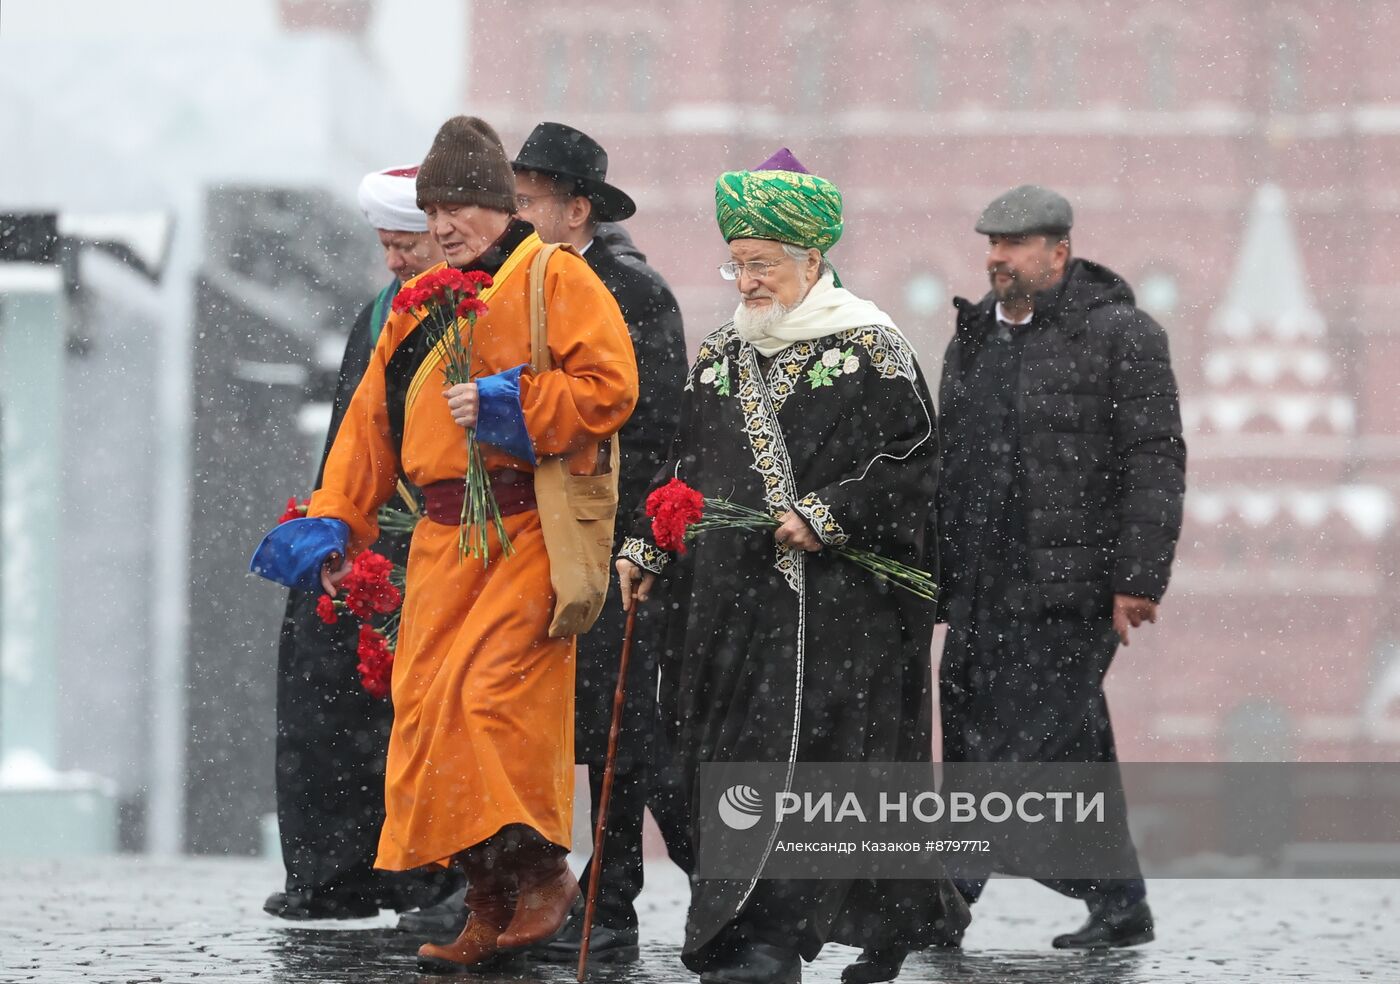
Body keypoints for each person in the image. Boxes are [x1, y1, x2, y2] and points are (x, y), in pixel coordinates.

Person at [250, 115, 638, 972]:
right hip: (437, 543)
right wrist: (334, 518)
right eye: (433, 209)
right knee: (426, 725)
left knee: (488, 705)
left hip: (523, 532)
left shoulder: (552, 277)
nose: (445, 223)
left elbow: (611, 387)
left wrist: (513, 407)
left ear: (501, 205)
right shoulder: (421, 300)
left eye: (461, 204)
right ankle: (489, 899)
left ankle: (542, 877)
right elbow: (368, 427)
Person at [616, 149, 969, 984]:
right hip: (726, 609)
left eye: (763, 264)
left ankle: (767, 941)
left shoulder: (872, 348)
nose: (746, 281)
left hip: (840, 614)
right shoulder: (718, 358)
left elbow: (919, 465)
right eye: (736, 263)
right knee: (723, 763)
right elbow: (682, 470)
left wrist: (829, 512)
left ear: (812, 259)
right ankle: (824, 922)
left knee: (802, 766)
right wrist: (647, 542)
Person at [936, 185, 1186, 948]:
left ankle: (943, 898)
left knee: (1014, 749)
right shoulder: (972, 337)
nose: (996, 259)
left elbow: (1155, 460)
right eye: (991, 245)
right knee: (1057, 742)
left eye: (1012, 246)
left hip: (1071, 593)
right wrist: (939, 578)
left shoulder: (1122, 335)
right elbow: (951, 464)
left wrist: (1139, 578)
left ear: (1059, 252)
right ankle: (1119, 903)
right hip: (983, 586)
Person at [511, 121, 691, 964]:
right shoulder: (524, 279)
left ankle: (612, 900)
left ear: (575, 208)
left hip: (615, 543)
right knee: (573, 726)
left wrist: (633, 543)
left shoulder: (630, 289)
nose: (516, 215)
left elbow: (652, 427)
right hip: (545, 541)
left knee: (618, 726)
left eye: (529, 201)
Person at [263, 163, 459, 923]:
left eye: (406, 244)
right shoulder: (378, 312)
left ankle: (418, 874)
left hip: (425, 538)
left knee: (406, 713)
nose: (395, 261)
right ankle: (332, 870)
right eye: (386, 245)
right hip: (355, 530)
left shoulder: (464, 313)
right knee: (320, 693)